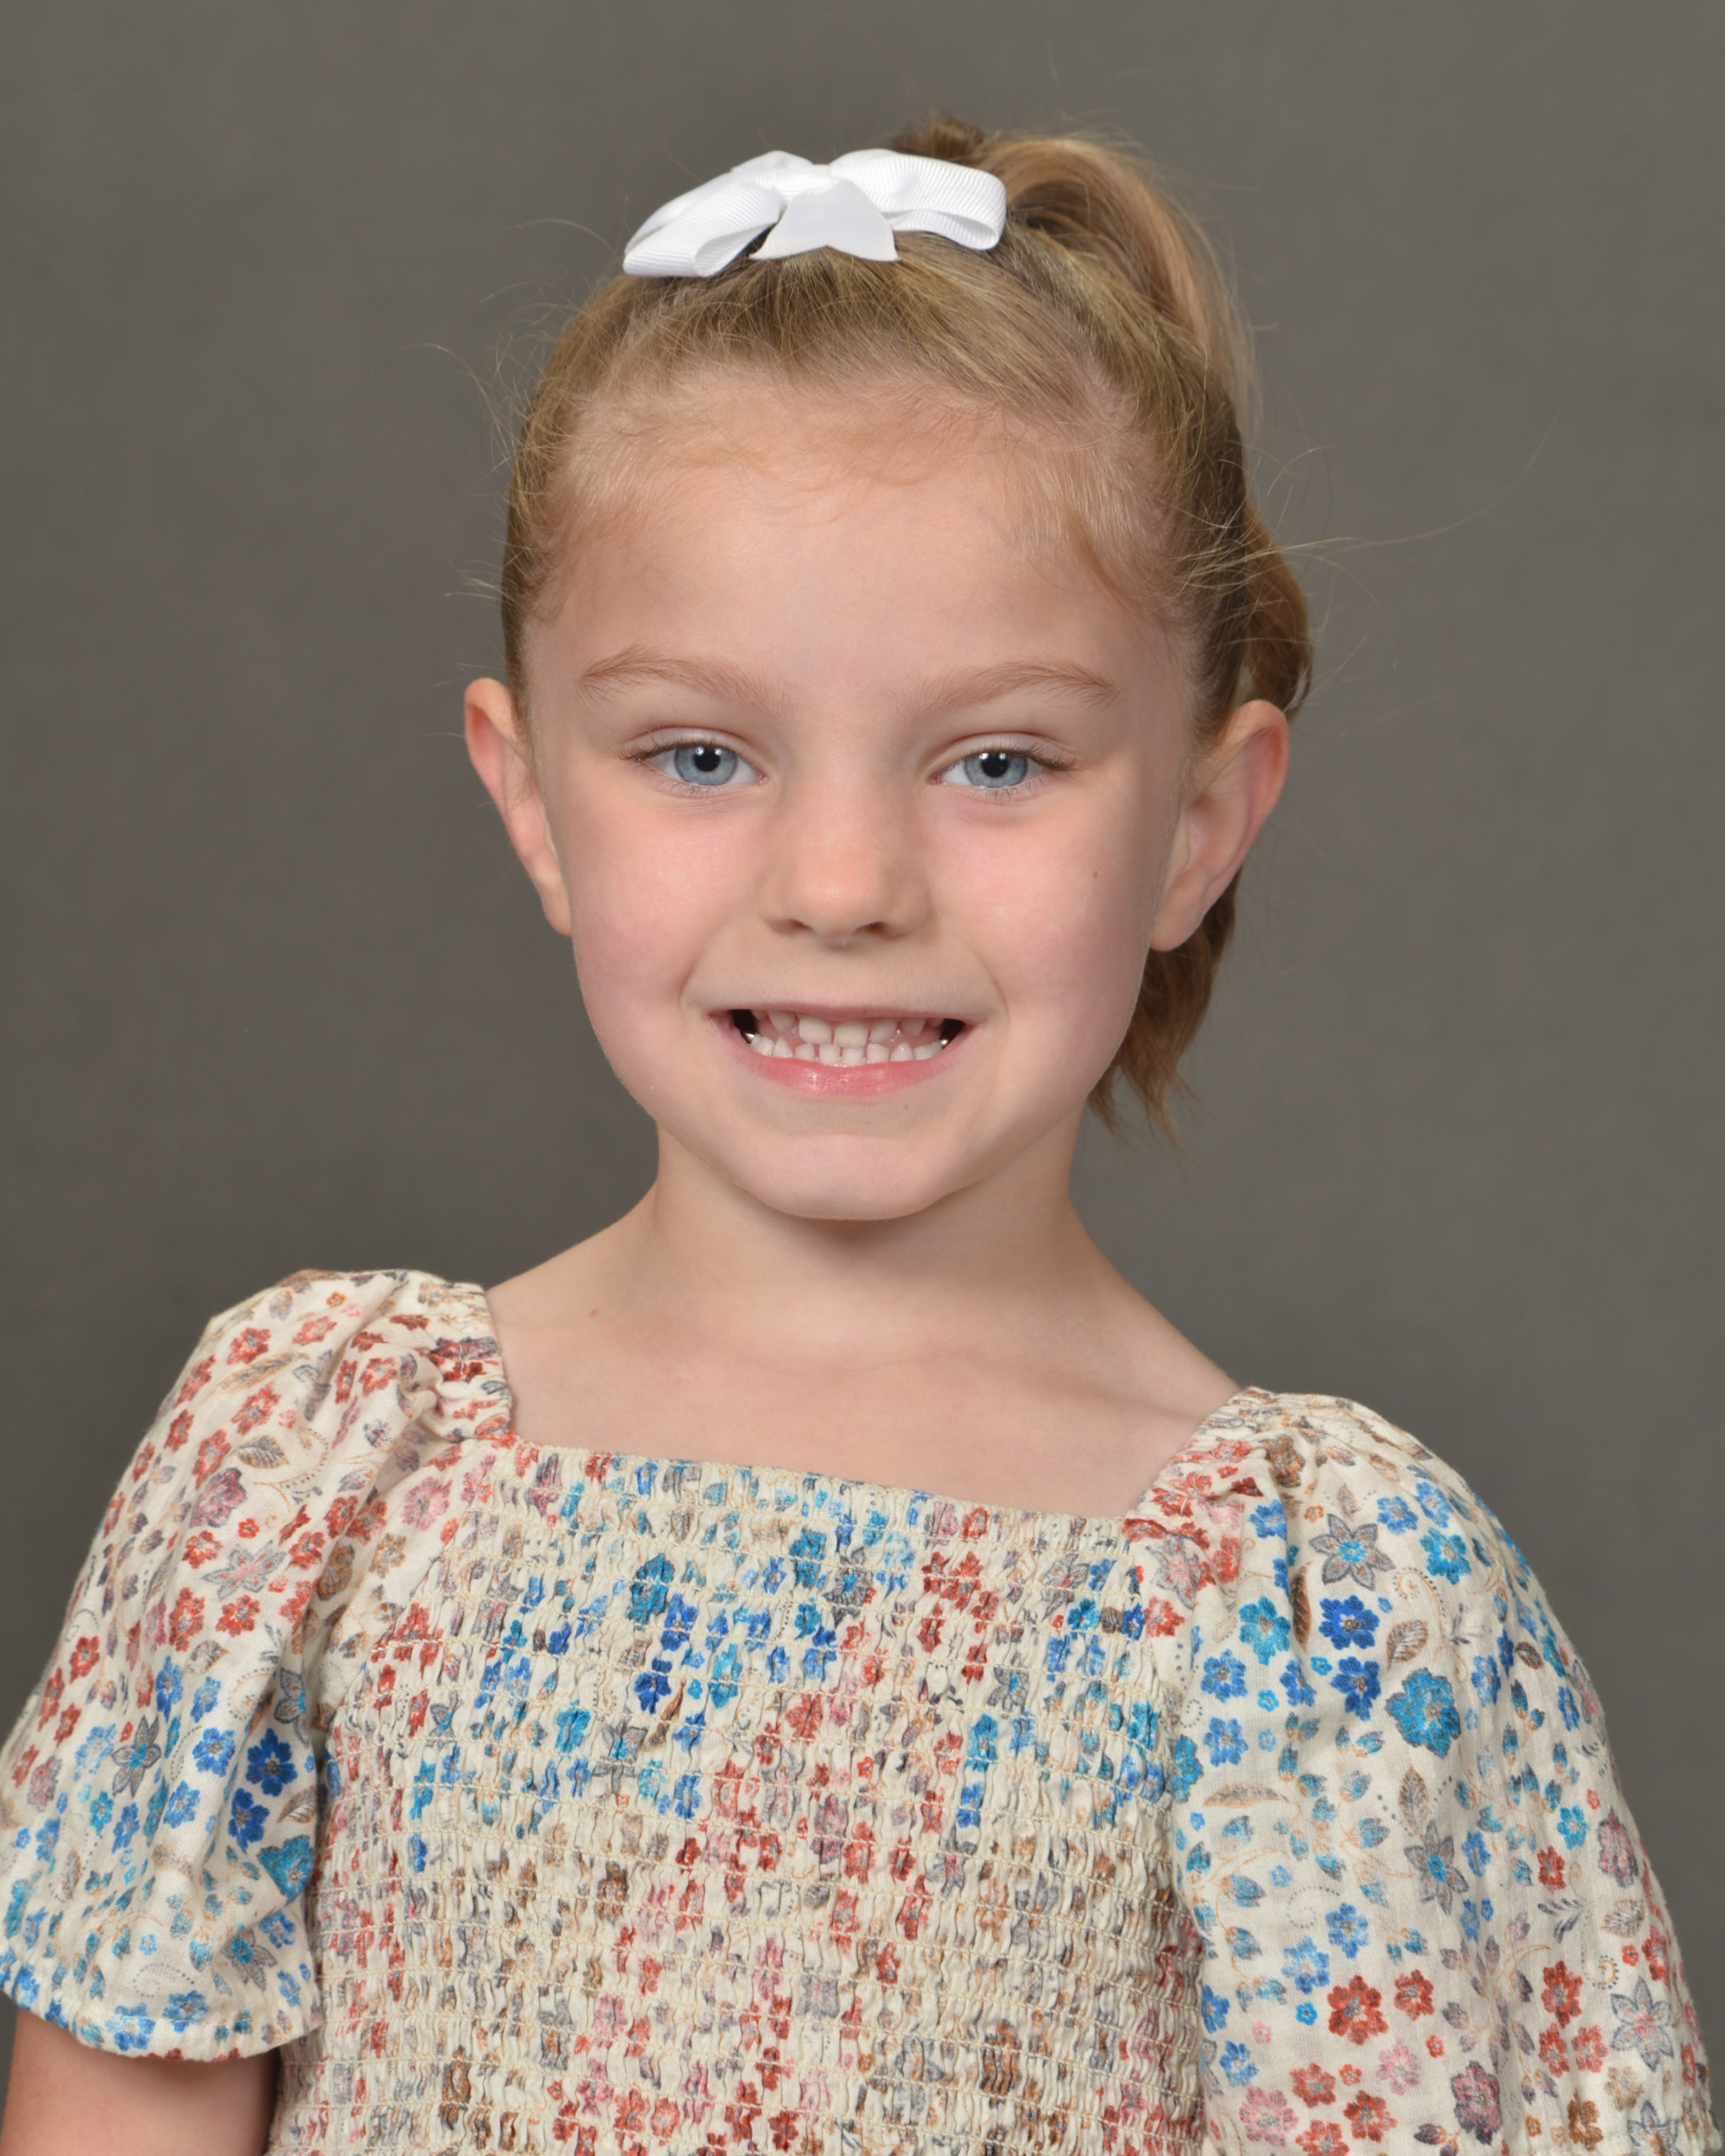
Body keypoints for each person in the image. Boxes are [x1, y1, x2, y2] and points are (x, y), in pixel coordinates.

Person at [0, 114, 1711, 2156]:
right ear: (532, 800)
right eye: (698, 754)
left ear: (1196, 823)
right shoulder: (309, 1472)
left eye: (995, 762)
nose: (838, 883)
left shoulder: (1330, 1617)